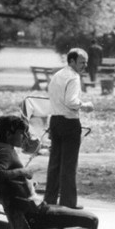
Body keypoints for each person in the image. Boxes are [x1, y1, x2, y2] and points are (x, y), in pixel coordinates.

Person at [44, 48, 94, 210]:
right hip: (69, 122)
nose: (84, 65)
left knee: (55, 163)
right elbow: (71, 101)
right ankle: (68, 202)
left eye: (86, 62)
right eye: (81, 62)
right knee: (69, 164)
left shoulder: (58, 75)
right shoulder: (73, 77)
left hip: (55, 120)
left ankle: (50, 199)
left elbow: (52, 95)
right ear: (71, 61)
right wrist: (85, 105)